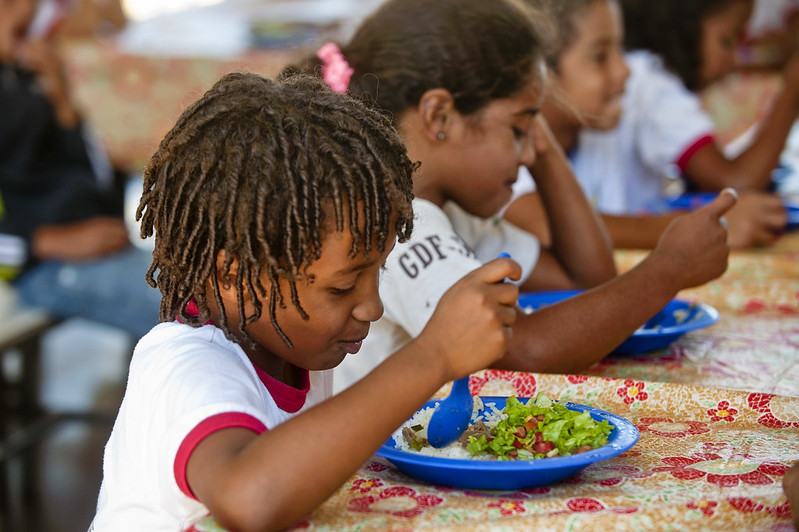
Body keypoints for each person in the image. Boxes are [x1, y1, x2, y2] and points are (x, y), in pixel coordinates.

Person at [90, 72, 523, 531]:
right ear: (233, 274)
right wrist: (433, 356)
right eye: (342, 287)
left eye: (378, 273)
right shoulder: (186, 366)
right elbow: (250, 498)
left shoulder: (293, 348)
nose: (371, 308)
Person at [283, 0, 736, 394]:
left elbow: (585, 281)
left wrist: (545, 152)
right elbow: (525, 348)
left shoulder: (457, 211)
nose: (530, 152)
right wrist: (669, 267)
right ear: (439, 115)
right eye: (520, 130)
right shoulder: (397, 224)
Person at [504, 0, 789, 250]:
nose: (624, 70)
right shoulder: (510, 139)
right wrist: (699, 227)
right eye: (600, 57)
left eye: (620, 49)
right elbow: (541, 223)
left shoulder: (605, 115)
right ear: (540, 72)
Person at [0, 0, 159, 338]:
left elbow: (97, 173)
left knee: (212, 289)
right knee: (202, 307)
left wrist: (63, 102)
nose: (26, 9)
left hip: (100, 245)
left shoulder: (21, 77)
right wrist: (46, 243)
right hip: (43, 265)